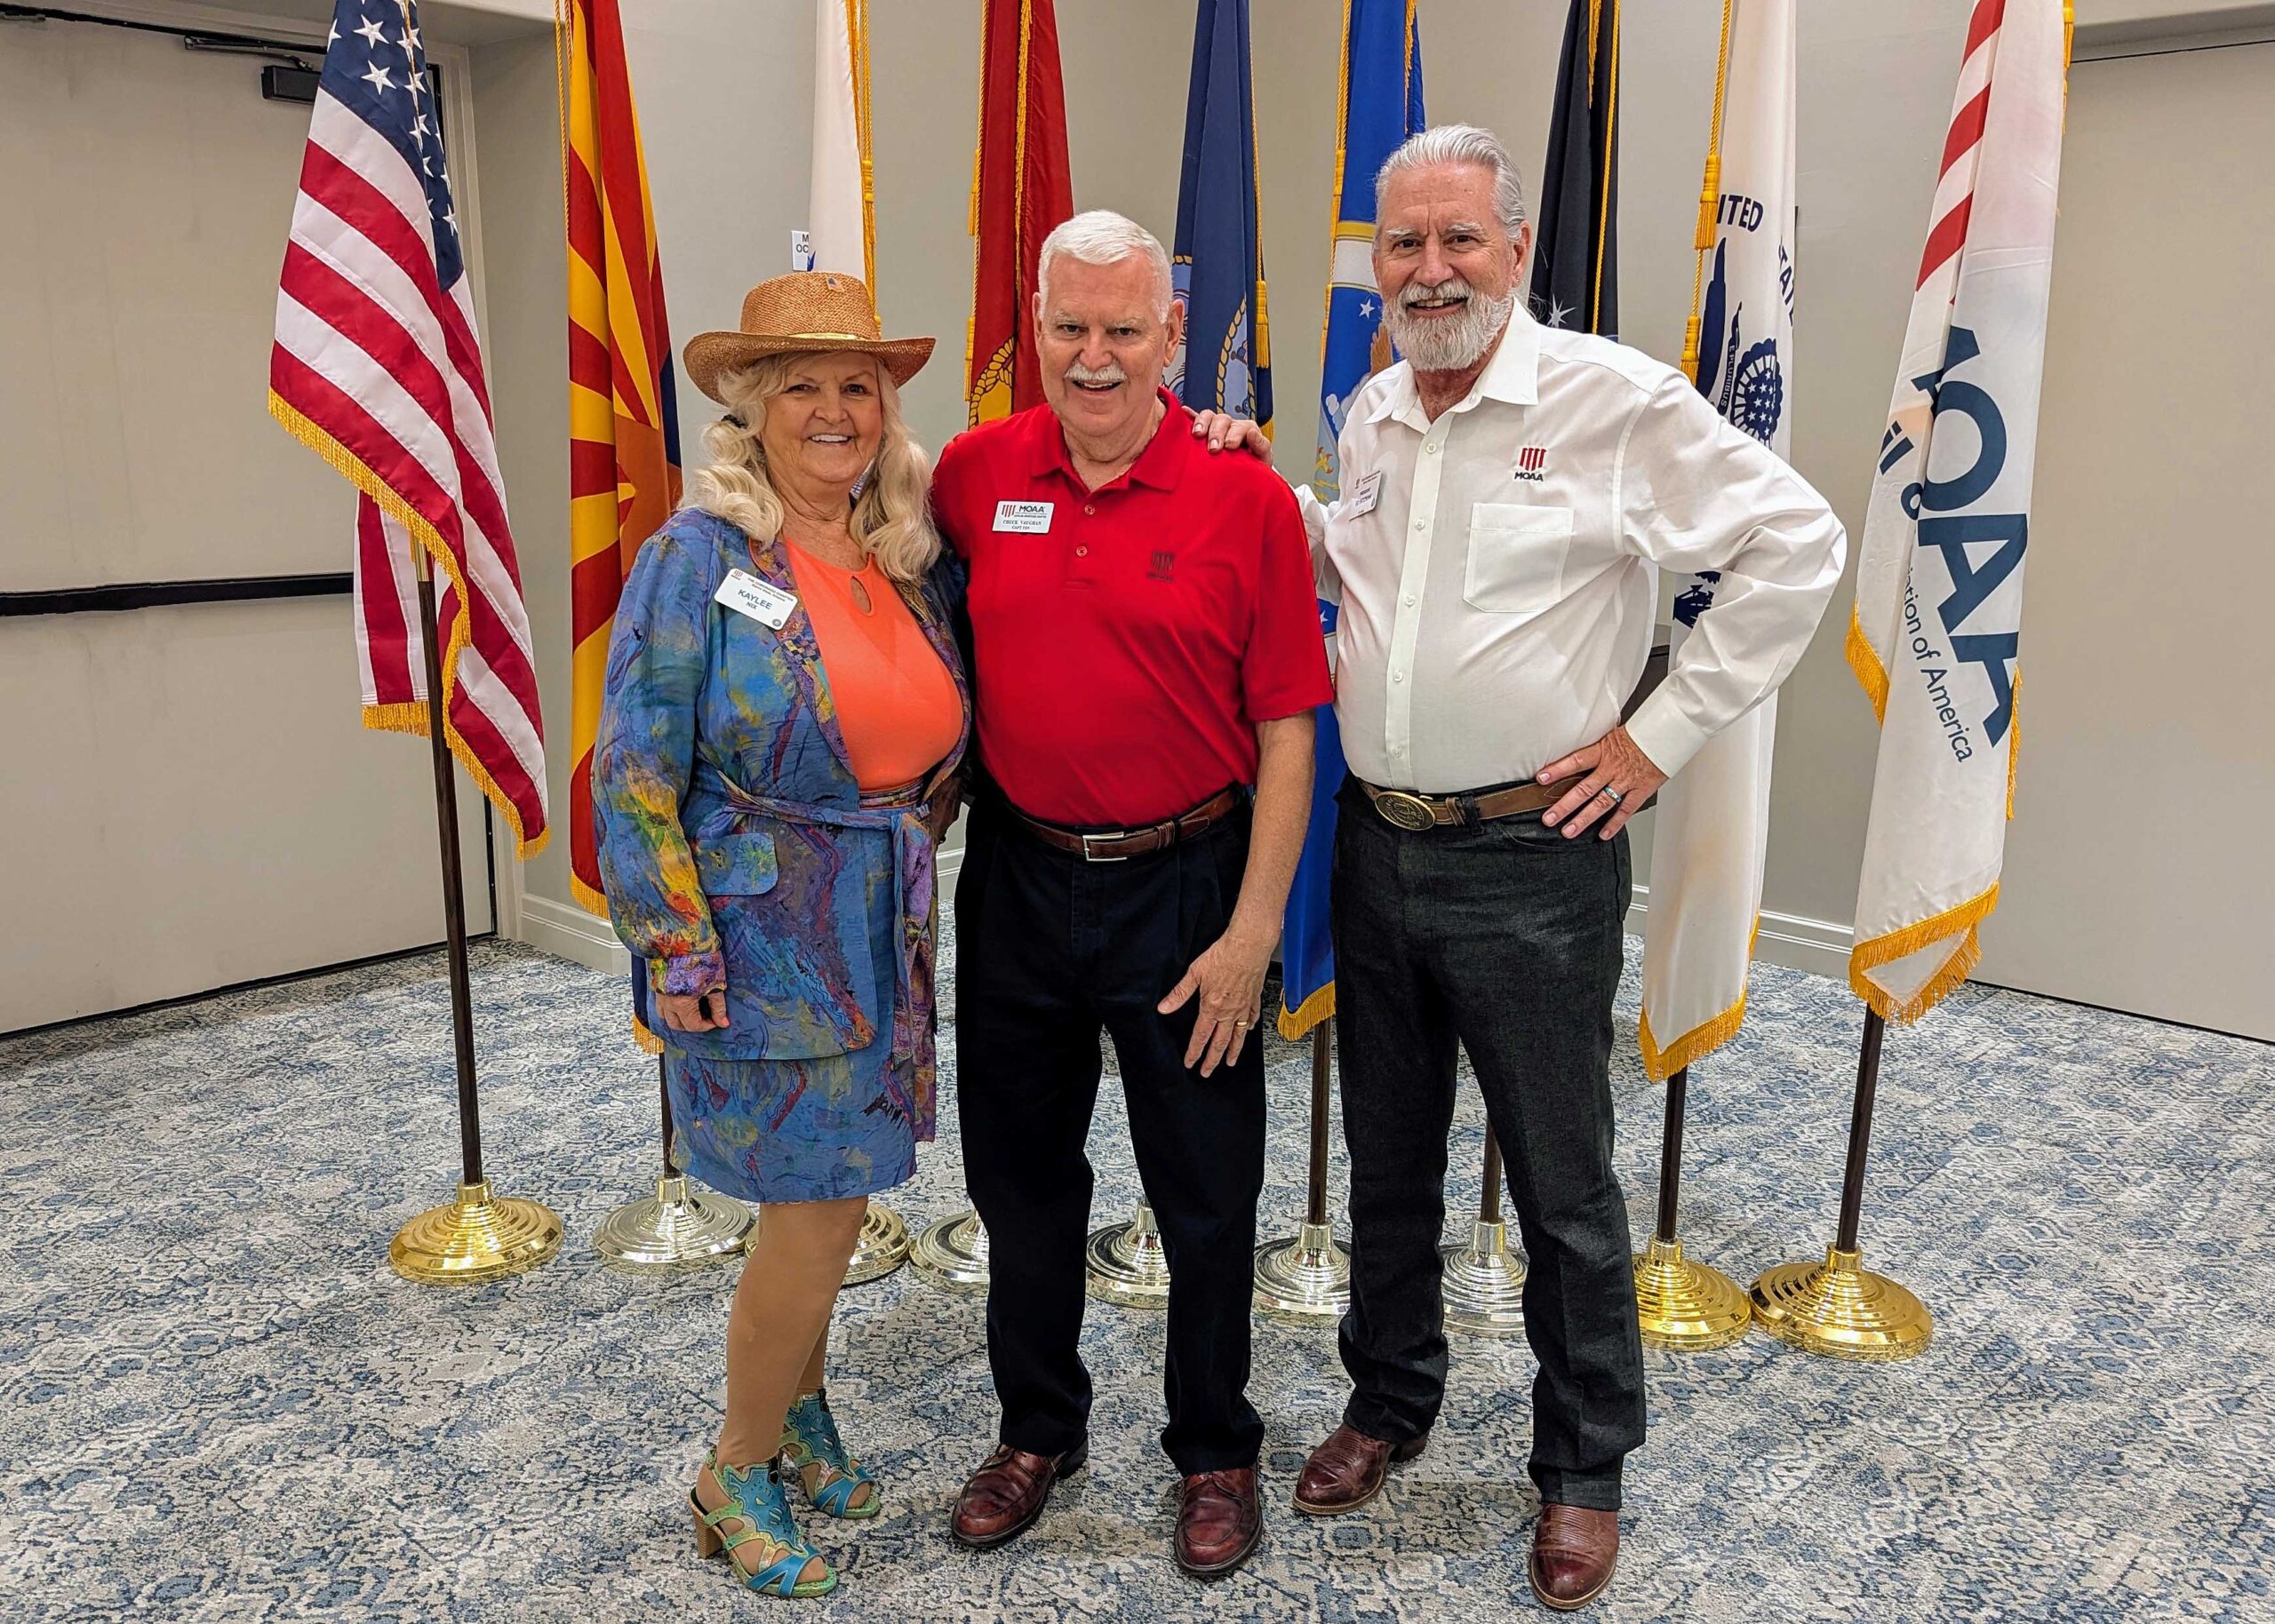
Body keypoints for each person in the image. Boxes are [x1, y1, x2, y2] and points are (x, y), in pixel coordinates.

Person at [1198, 124, 1845, 1611]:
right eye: (1402, 244)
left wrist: (1658, 735)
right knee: (1387, 1160)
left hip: (1533, 860)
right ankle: (1390, 1398)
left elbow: (1799, 542)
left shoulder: (1611, 400)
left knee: (1560, 1183)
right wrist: (1269, 496)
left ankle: (1582, 1466)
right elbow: (1369, 580)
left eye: (1458, 240)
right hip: (1377, 848)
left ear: (1515, 250)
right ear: (1376, 261)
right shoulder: (1373, 410)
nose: (1429, 271)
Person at [929, 211, 1332, 1578]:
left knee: (1206, 1190)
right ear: (1034, 328)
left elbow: (1289, 733)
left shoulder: (1246, 497)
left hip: (1189, 887)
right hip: (1018, 881)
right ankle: (1038, 1427)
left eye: (1123, 329)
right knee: (1019, 1180)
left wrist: (1255, 933)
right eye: (1068, 326)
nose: (1093, 357)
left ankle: (1214, 1448)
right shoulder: (975, 475)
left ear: (1173, 334)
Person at [594, 272, 969, 1601]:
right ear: (751, 409)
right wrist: (674, 946)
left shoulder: (901, 555)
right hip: (761, 944)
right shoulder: (697, 559)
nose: (833, 409)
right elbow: (632, 766)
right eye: (800, 385)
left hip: (881, 923)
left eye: (857, 385)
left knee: (830, 1197)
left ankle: (800, 1415)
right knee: (817, 1212)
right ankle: (735, 1467)